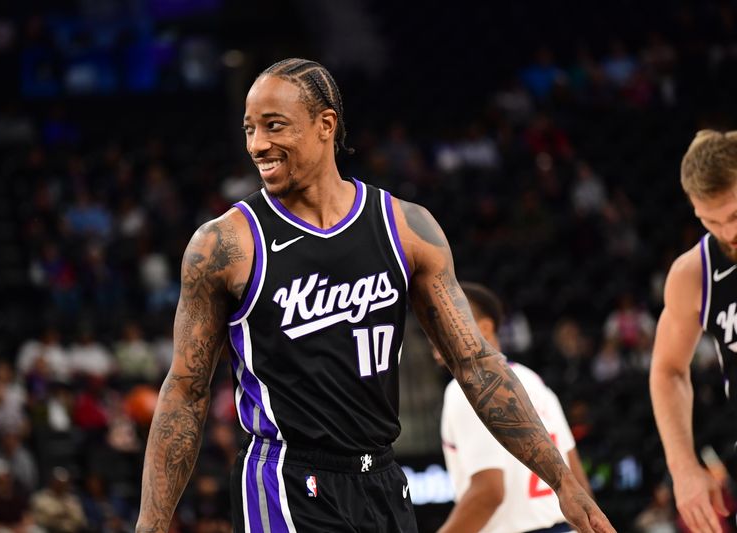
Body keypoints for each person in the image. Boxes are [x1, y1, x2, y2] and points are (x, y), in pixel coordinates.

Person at [136, 57, 613, 533]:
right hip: (285, 479)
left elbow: (477, 364)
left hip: (382, 478)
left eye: (274, 126)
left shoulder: (406, 228)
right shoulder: (225, 245)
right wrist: (151, 525)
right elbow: (185, 390)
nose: (258, 144)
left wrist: (563, 481)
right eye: (249, 129)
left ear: (326, 125)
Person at [437, 282, 592, 533]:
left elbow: (489, 493)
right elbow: (577, 481)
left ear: (484, 328)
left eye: (441, 323)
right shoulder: (535, 381)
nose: (433, 333)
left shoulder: (464, 389)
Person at [650, 129, 737, 533]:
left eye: (735, 215)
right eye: (710, 220)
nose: (728, 232)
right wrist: (683, 468)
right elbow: (667, 370)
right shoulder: (694, 273)